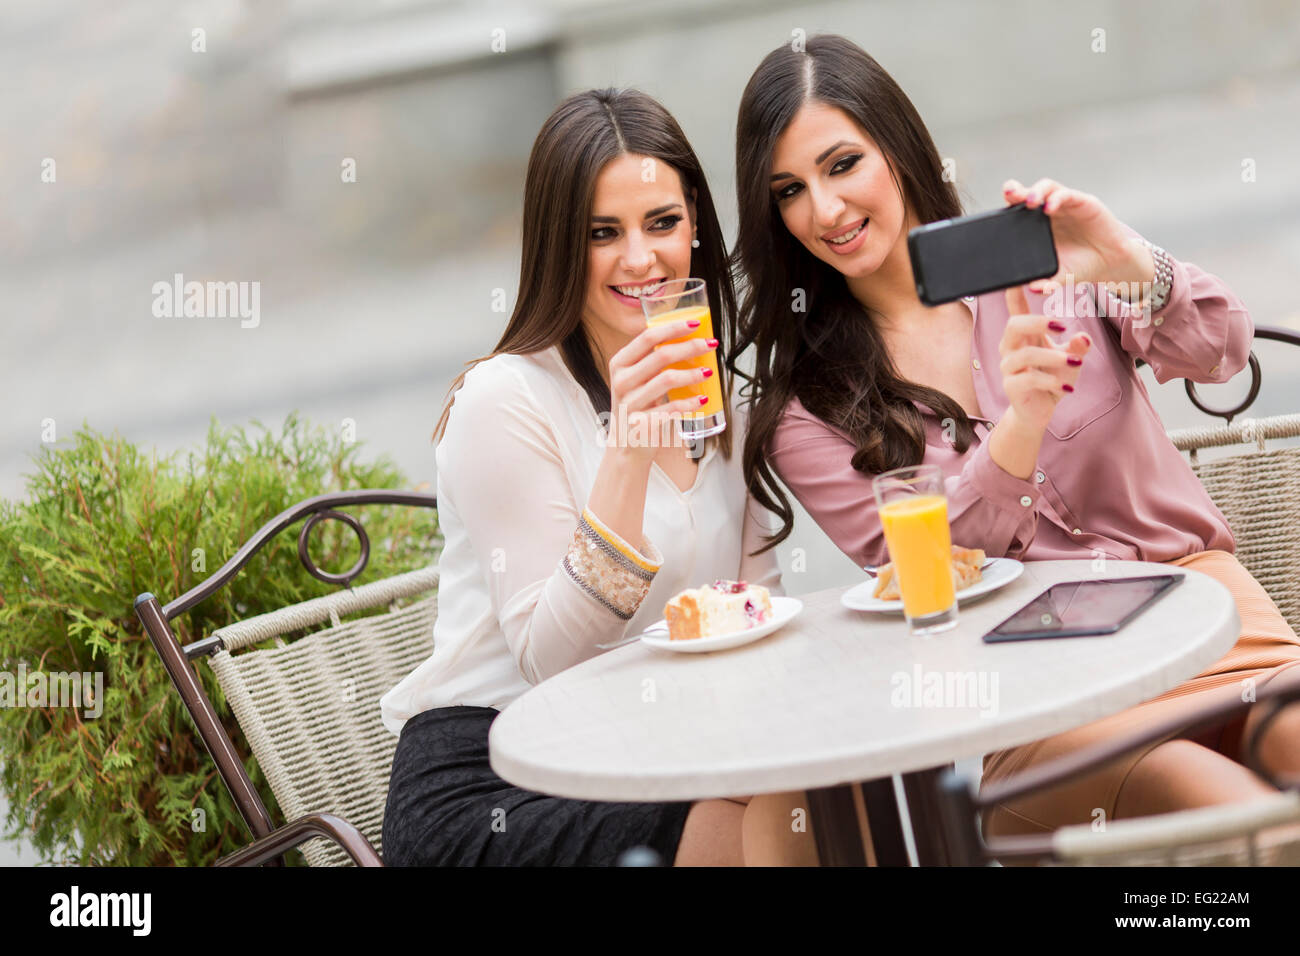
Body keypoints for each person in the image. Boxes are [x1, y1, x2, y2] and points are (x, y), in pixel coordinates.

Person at [727, 33, 1300, 846]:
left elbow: (1222, 348)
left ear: (897, 148)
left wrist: (1129, 259)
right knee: (1229, 813)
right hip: (1037, 698)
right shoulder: (804, 408)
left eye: (843, 164)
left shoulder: (1045, 260)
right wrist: (1019, 431)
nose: (823, 210)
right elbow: (923, 580)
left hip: (1209, 622)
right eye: (789, 189)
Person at [380, 88, 817, 866]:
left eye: (662, 223)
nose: (641, 259)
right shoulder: (505, 398)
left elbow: (754, 612)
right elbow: (551, 667)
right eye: (601, 233)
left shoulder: (720, 397)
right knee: (732, 823)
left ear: (695, 227)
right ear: (558, 245)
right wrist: (626, 454)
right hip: (495, 774)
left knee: (828, 786)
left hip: (650, 747)